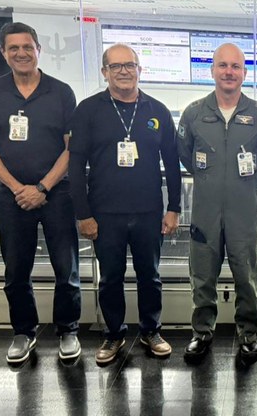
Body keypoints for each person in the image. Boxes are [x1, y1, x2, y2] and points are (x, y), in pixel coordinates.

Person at [68, 44, 182, 364]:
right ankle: (114, 334)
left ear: (140, 70)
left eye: (130, 65)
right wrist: (83, 214)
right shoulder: (88, 110)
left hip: (148, 211)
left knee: (151, 275)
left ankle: (150, 330)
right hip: (104, 213)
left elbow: (172, 164)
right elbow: (75, 165)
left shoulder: (157, 111)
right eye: (116, 66)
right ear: (105, 72)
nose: (124, 71)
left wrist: (173, 207)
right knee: (110, 278)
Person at [0, 22, 81, 364]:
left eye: (27, 46)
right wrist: (17, 187)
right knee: (16, 269)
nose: (21, 53)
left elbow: (71, 149)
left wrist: (42, 187)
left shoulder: (61, 91)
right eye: (13, 48)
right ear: (3, 53)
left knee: (66, 268)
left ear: (39, 49)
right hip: (12, 196)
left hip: (56, 194)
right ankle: (24, 332)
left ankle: (68, 330)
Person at [177, 43, 257, 364]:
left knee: (247, 277)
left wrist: (243, 184)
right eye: (222, 66)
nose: (228, 72)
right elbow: (185, 156)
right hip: (204, 212)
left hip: (244, 212)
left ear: (244, 73)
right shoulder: (194, 113)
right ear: (211, 71)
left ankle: (247, 334)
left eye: (235, 67)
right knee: (202, 276)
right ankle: (202, 333)